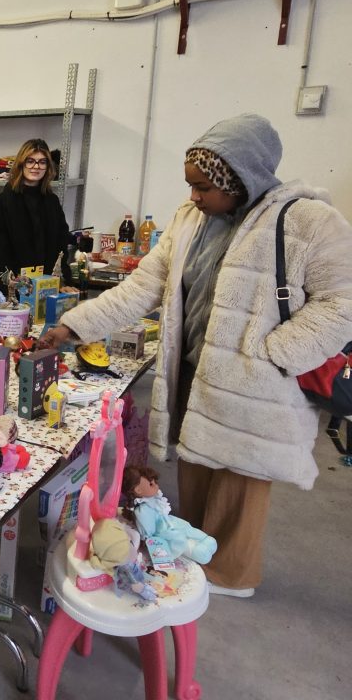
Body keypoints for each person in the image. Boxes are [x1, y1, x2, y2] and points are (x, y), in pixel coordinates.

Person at [41, 113, 352, 597]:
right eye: (191, 185)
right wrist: (72, 325)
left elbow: (342, 302)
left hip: (257, 379)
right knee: (197, 465)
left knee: (241, 480)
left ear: (241, 179)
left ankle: (232, 573)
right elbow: (143, 286)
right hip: (195, 368)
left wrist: (277, 354)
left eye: (204, 186)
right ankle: (190, 552)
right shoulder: (191, 221)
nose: (193, 196)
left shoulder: (307, 222)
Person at [0, 138, 73, 286]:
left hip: (47, 284)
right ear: (21, 163)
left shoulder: (51, 201)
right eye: (30, 161)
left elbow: (61, 244)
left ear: (48, 166)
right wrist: (10, 283)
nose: (36, 166)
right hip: (14, 286)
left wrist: (62, 282)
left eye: (42, 162)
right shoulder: (4, 201)